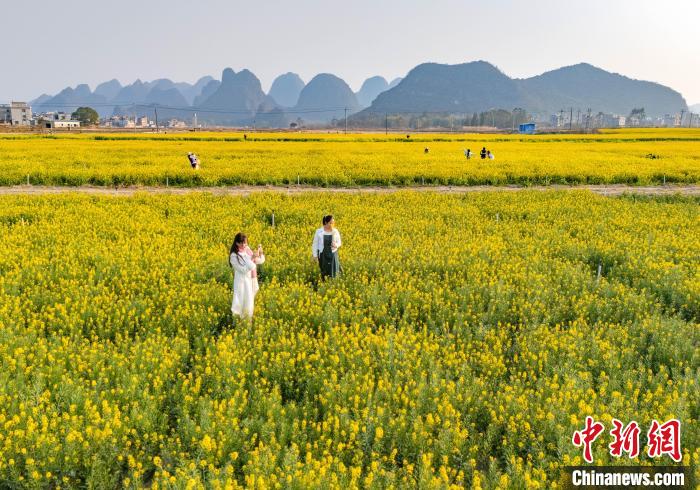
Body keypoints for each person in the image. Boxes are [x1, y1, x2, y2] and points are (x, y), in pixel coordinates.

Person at [229, 232, 265, 319]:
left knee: (250, 302)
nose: (245, 244)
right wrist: (252, 257)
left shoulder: (247, 249)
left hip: (252, 279)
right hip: (242, 282)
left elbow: (259, 261)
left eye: (246, 242)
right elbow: (243, 270)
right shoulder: (234, 256)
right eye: (243, 243)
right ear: (237, 243)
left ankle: (247, 323)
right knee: (241, 303)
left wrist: (260, 253)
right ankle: (239, 323)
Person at [312, 215, 342, 279]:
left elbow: (339, 242)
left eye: (333, 223)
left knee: (333, 272)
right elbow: (315, 244)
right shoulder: (319, 231)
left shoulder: (335, 231)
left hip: (333, 255)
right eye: (330, 223)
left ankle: (333, 285)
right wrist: (315, 256)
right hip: (323, 255)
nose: (332, 225)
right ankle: (324, 285)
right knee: (324, 272)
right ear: (326, 223)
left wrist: (336, 245)